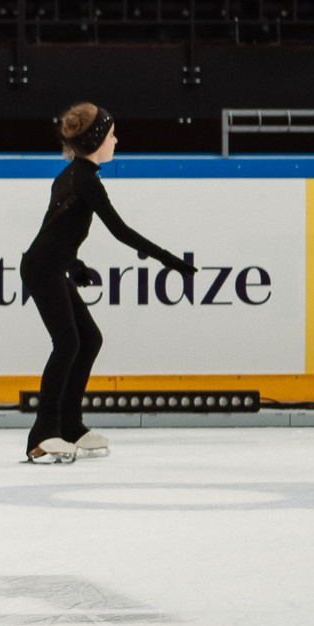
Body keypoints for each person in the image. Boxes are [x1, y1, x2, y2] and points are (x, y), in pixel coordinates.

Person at [23, 102, 193, 465]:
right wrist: (168, 259)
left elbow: (56, 231)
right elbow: (120, 231)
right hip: (42, 268)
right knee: (67, 343)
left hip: (48, 265)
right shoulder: (85, 180)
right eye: (112, 134)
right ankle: (42, 435)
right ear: (96, 140)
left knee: (89, 339)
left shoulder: (70, 175)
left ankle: (70, 425)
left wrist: (74, 265)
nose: (116, 140)